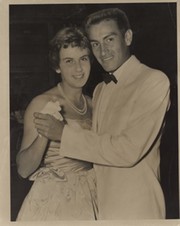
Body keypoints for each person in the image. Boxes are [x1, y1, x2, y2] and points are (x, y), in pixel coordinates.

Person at [34, 8, 170, 219]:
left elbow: (127, 150)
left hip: (138, 208)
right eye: (95, 44)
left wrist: (64, 134)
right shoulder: (100, 89)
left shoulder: (153, 80)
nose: (102, 50)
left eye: (109, 39)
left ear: (127, 37)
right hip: (99, 207)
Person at [16, 26, 97, 221]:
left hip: (93, 194)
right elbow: (24, 169)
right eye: (69, 61)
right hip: (55, 200)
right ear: (57, 66)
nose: (78, 69)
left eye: (83, 59)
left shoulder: (94, 103)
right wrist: (45, 134)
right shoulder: (41, 103)